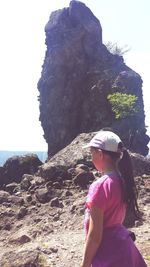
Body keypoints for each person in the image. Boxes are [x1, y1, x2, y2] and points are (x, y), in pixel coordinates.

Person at [80, 130, 147, 267]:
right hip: (124, 247)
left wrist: (84, 264)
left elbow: (95, 236)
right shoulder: (123, 181)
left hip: (108, 254)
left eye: (92, 153)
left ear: (100, 154)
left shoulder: (99, 186)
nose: (91, 158)